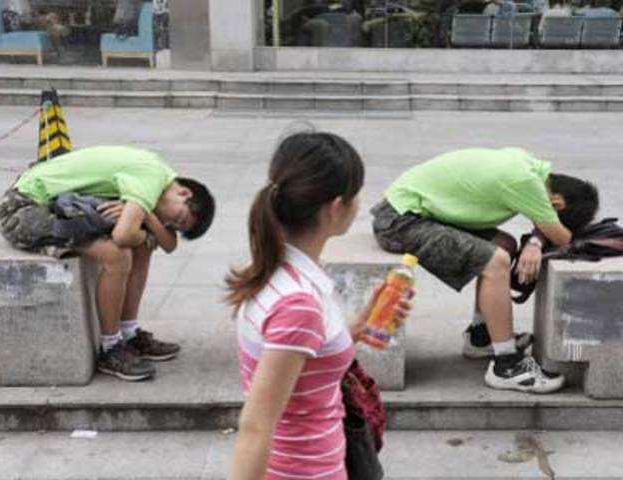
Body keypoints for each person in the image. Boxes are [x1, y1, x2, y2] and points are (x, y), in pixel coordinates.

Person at [226, 131, 410, 480]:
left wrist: (357, 327)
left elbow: (302, 360)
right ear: (336, 207)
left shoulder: (281, 271)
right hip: (305, 470)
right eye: (356, 196)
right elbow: (255, 427)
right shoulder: (298, 303)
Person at [371, 147, 599, 394]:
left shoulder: (529, 166)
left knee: (505, 244)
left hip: (409, 211)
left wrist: (534, 242)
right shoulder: (524, 182)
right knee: (496, 261)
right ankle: (506, 366)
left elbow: (546, 226)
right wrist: (542, 238)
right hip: (399, 222)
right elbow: (563, 238)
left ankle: (481, 337)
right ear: (558, 203)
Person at [0, 145, 215, 382]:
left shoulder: (156, 175)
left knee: (143, 244)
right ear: (184, 193)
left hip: (49, 203)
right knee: (117, 255)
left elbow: (169, 244)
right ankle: (110, 349)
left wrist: (149, 218)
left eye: (176, 226)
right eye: (179, 218)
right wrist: (146, 228)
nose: (171, 223)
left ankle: (129, 335)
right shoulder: (150, 176)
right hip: (21, 209)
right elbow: (123, 235)